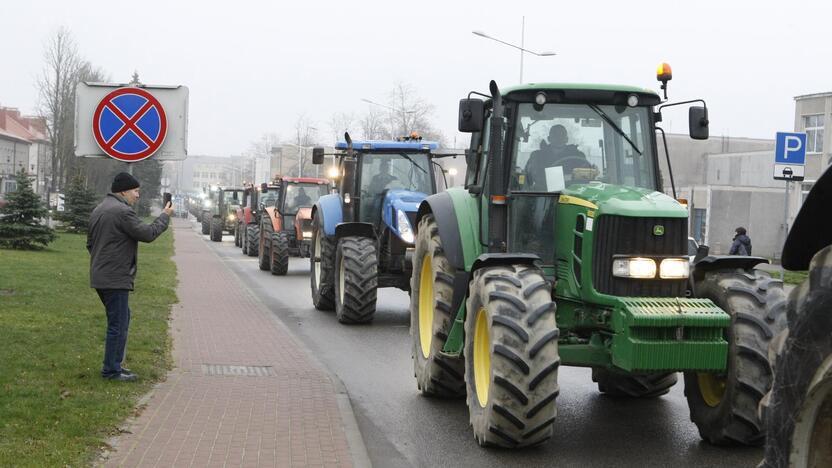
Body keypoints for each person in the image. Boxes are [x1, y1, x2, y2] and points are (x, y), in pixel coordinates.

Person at [87, 172, 173, 381]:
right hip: (114, 277)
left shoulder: (100, 208)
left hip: (103, 274)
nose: (137, 196)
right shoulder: (122, 212)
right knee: (118, 324)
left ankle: (115, 365)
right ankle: (111, 371)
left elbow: (90, 243)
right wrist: (164, 216)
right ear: (123, 191)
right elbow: (148, 234)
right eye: (135, 191)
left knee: (122, 320)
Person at [524, 124, 588, 191]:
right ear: (549, 138)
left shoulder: (578, 157)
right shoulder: (537, 156)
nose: (559, 138)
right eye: (555, 135)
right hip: (542, 195)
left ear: (566, 139)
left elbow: (585, 177)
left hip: (571, 195)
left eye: (561, 135)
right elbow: (528, 177)